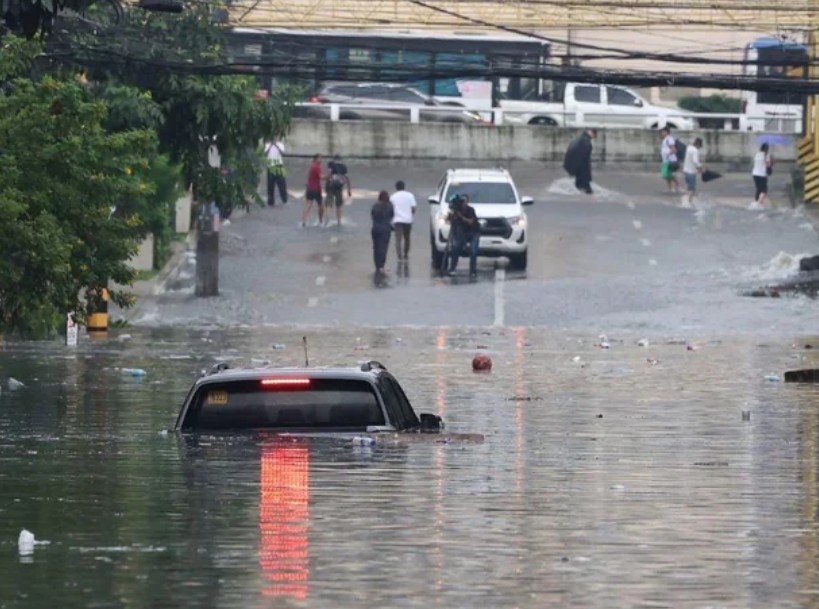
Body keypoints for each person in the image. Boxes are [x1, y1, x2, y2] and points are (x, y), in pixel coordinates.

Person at [446, 194, 479, 279]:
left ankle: (473, 271)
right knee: (456, 247)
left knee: (473, 251)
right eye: (462, 201)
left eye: (464, 201)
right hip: (461, 233)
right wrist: (451, 215)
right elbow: (448, 220)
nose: (463, 203)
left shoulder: (471, 210)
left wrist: (461, 217)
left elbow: (471, 222)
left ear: (467, 202)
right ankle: (452, 269)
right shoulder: (457, 210)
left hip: (473, 232)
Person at [390, 180, 417, 262]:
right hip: (408, 220)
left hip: (397, 220)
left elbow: (390, 209)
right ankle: (406, 254)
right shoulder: (410, 195)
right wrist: (411, 214)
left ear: (396, 187)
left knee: (398, 239)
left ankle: (399, 256)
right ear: (404, 187)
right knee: (407, 238)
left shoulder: (393, 197)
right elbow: (413, 208)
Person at [563, 128, 596, 194]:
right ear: (591, 133)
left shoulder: (580, 139)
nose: (593, 137)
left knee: (580, 183)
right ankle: (587, 195)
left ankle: (583, 193)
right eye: (593, 135)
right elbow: (584, 155)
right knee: (585, 185)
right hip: (582, 167)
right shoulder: (585, 141)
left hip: (579, 166)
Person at [371, 190, 394, 276]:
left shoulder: (375, 206)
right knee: (383, 248)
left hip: (375, 228)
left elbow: (372, 215)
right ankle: (381, 266)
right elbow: (392, 215)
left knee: (376, 247)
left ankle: (377, 265)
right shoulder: (390, 206)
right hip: (385, 229)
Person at [325, 155, 352, 226]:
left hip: (331, 186)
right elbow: (347, 179)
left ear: (334, 159)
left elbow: (329, 174)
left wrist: (326, 182)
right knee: (339, 205)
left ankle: (327, 220)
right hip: (339, 187)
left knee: (328, 203)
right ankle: (339, 221)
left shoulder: (331, 164)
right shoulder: (344, 167)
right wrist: (349, 190)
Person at [264, 138, 288, 206]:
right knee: (270, 184)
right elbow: (265, 153)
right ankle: (271, 201)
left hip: (278, 165)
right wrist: (270, 145)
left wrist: (276, 145)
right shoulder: (267, 144)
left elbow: (282, 153)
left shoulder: (280, 144)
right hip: (270, 165)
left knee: (282, 183)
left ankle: (284, 199)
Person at [302, 153, 324, 227]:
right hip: (316, 189)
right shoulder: (317, 167)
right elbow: (321, 177)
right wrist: (328, 177)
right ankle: (321, 221)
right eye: (319, 158)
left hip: (310, 188)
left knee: (308, 205)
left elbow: (309, 177)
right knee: (320, 205)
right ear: (316, 159)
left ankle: (304, 221)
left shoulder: (312, 166)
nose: (321, 160)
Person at [682, 137, 704, 206]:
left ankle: (690, 199)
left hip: (685, 171)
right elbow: (695, 161)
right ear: (698, 145)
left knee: (689, 187)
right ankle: (689, 202)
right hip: (691, 172)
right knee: (691, 189)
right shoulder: (695, 151)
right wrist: (700, 168)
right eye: (700, 146)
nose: (699, 148)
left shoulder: (689, 148)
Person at [659, 127, 680, 193]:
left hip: (671, 160)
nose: (661, 133)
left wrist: (668, 154)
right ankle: (670, 188)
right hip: (666, 160)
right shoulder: (665, 139)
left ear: (666, 132)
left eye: (663, 132)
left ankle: (677, 185)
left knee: (670, 175)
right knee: (667, 175)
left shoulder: (669, 139)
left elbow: (674, 149)